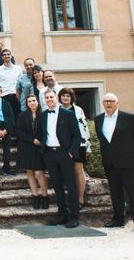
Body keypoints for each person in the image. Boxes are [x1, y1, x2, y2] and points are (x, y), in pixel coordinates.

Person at [40, 89, 81, 228]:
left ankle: (74, 216)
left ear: (56, 98)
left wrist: (70, 152)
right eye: (47, 98)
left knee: (70, 185)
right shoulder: (43, 115)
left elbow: (77, 135)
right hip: (50, 154)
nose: (49, 99)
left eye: (51, 97)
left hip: (65, 153)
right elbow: (42, 134)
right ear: (45, 100)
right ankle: (62, 214)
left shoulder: (68, 114)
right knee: (57, 185)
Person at [94, 93, 134, 228]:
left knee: (132, 191)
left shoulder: (129, 118)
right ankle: (118, 218)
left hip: (128, 162)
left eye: (111, 101)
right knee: (115, 192)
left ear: (117, 102)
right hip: (109, 162)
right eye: (105, 101)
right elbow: (102, 140)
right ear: (103, 104)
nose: (108, 103)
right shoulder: (98, 119)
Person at [58, 88, 91, 209]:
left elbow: (85, 128)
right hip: (62, 146)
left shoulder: (78, 110)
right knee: (65, 172)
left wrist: (88, 146)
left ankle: (80, 199)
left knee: (78, 171)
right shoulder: (57, 110)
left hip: (78, 145)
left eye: (68, 96)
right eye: (63, 96)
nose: (65, 98)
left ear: (71, 98)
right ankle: (70, 198)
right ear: (60, 97)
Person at [16, 94, 48, 209]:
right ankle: (35, 197)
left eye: (34, 100)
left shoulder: (44, 115)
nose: (32, 103)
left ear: (38, 102)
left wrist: (41, 142)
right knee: (29, 173)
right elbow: (18, 131)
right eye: (29, 101)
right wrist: (32, 139)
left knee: (39, 173)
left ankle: (45, 196)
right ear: (27, 103)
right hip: (26, 147)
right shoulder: (22, 116)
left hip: (40, 148)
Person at [0, 49, 23, 120]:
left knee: (17, 117)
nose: (6, 56)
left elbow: (21, 83)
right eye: (4, 55)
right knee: (6, 118)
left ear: (11, 56)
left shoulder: (18, 68)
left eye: (8, 54)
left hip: (16, 96)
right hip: (4, 97)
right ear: (2, 57)